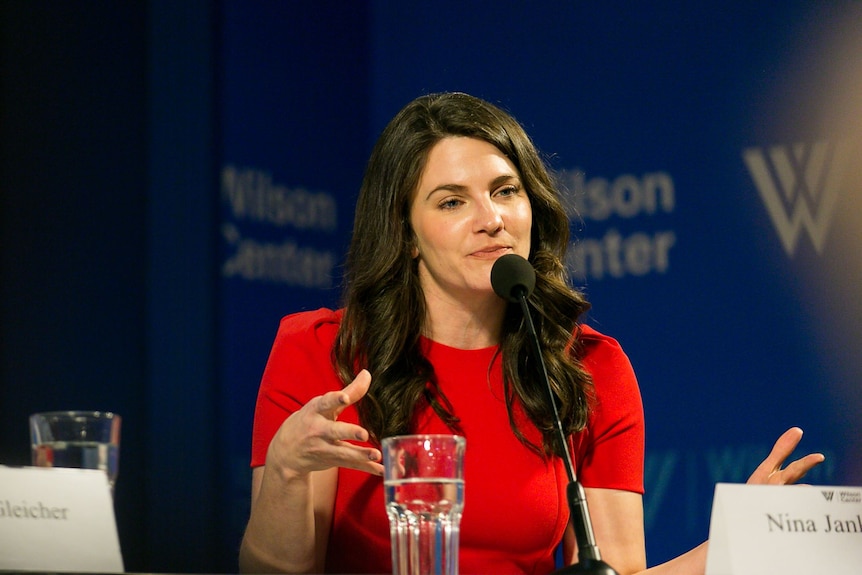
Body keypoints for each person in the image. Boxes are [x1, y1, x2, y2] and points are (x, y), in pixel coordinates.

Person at [239, 92, 824, 575]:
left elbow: (615, 572)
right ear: (407, 233)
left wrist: (738, 543)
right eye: (451, 202)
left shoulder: (589, 368)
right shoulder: (323, 351)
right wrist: (287, 471)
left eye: (505, 191)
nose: (491, 218)